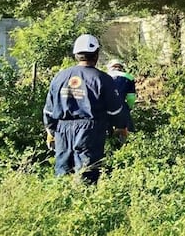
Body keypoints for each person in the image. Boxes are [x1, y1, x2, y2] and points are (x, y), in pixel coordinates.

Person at [43, 34, 128, 184]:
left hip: (62, 129)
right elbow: (115, 110)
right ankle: (83, 203)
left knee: (62, 173)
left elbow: (49, 111)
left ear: (76, 55)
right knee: (86, 174)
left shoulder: (60, 76)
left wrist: (50, 132)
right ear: (96, 54)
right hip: (90, 131)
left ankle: (63, 203)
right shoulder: (102, 79)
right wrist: (121, 127)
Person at [106, 59, 137, 132]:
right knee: (127, 132)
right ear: (121, 67)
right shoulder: (129, 77)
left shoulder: (103, 76)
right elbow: (131, 98)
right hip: (121, 107)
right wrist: (129, 108)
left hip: (105, 109)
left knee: (106, 133)